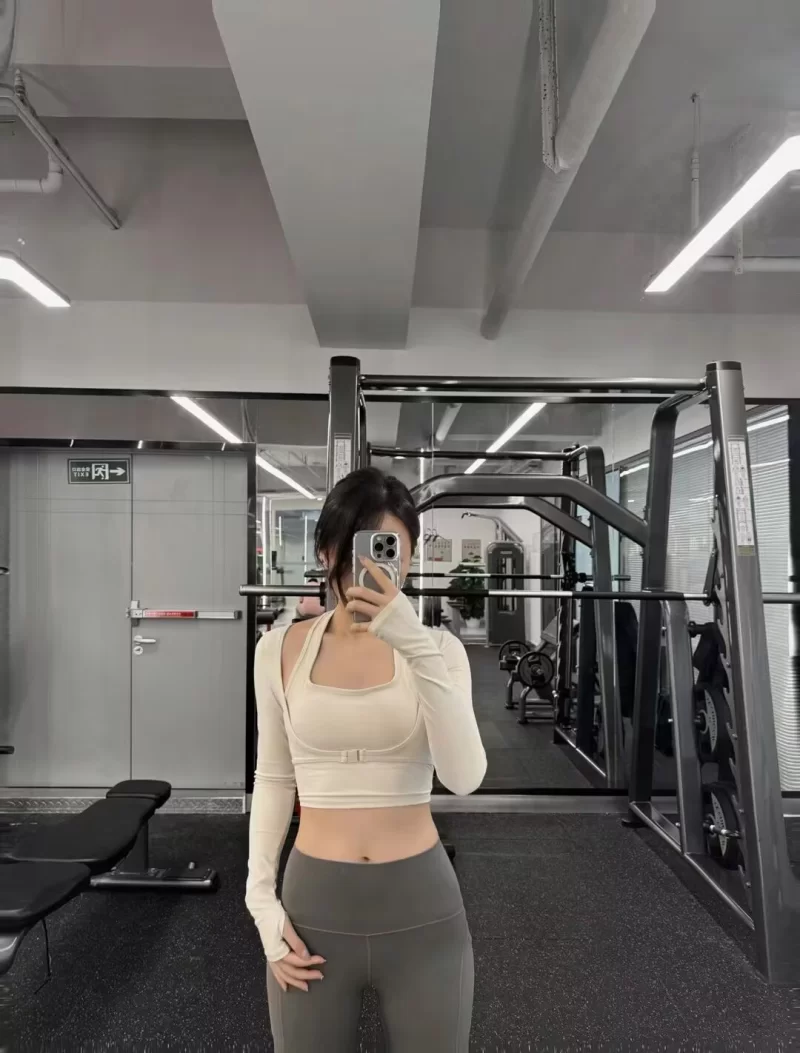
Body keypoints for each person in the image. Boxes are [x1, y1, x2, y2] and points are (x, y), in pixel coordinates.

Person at [246, 466, 487, 1052]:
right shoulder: (277, 649)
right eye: (358, 551)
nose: (373, 571)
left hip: (422, 908)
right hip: (314, 911)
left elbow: (463, 778)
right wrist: (260, 900)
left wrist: (414, 644)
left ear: (410, 560)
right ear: (328, 552)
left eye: (391, 553)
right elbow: (273, 780)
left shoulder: (440, 651)